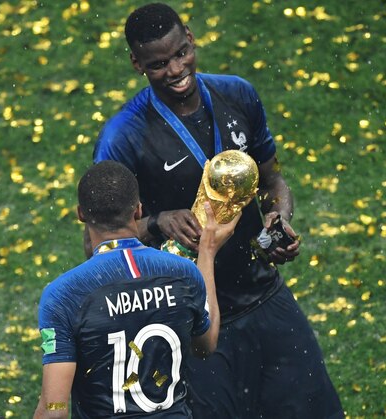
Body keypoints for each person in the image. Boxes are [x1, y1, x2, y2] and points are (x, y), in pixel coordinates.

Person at [93, 3, 344, 418]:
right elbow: (97, 245)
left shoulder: (237, 94)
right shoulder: (125, 135)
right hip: (193, 323)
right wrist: (158, 222)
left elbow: (272, 181)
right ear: (136, 63)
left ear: (190, 37)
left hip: (265, 295)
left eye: (180, 54)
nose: (175, 70)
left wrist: (277, 217)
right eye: (158, 64)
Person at [33, 160, 239, 418]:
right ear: (139, 210)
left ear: (81, 214)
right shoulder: (183, 274)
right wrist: (206, 253)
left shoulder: (64, 294)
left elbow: (55, 410)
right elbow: (205, 346)